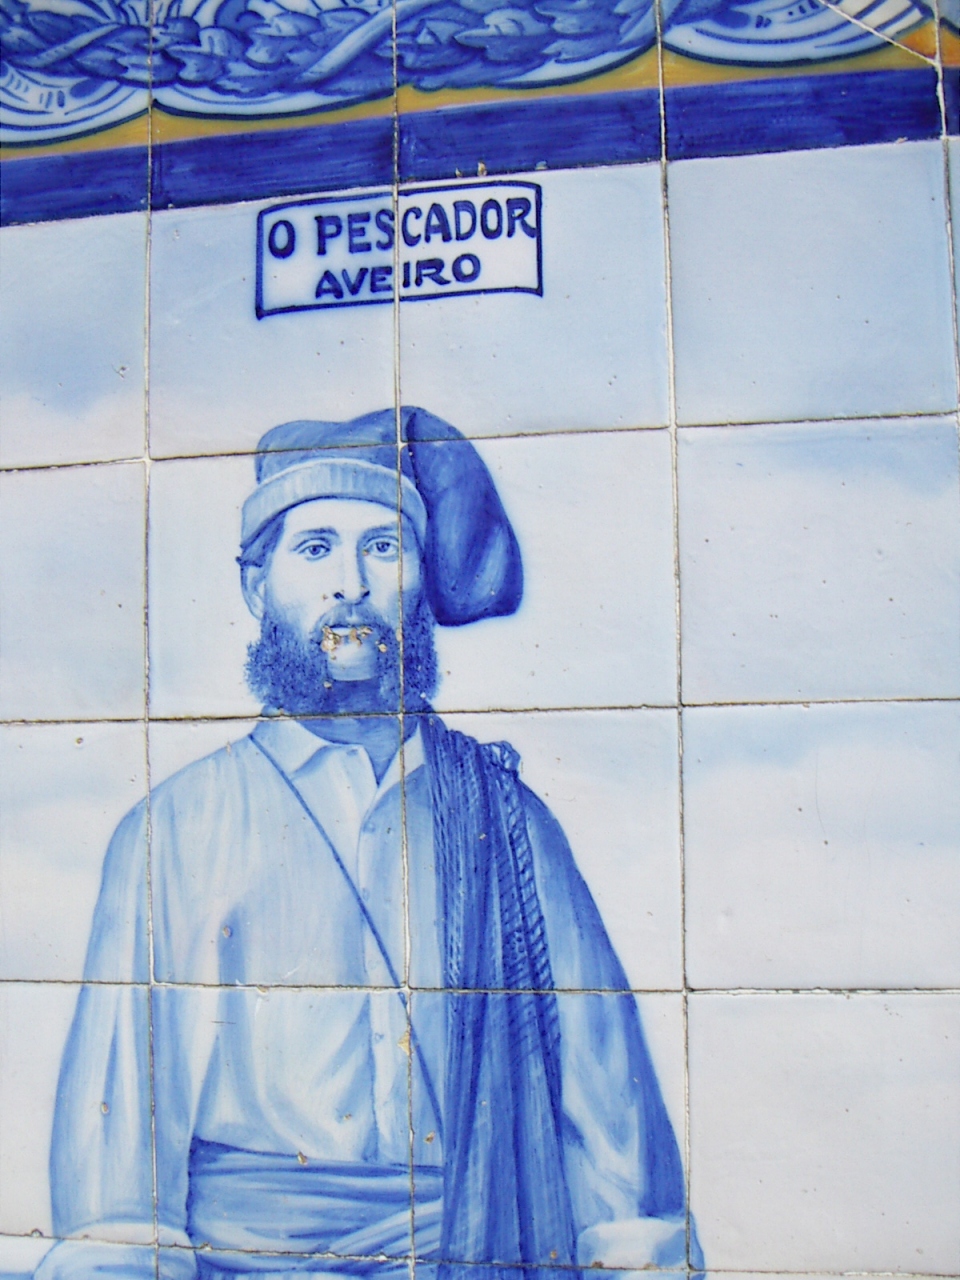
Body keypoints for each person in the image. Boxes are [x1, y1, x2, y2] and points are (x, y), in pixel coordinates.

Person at [38, 407, 702, 1279]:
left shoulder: (508, 820)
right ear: (255, 586)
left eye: (384, 548)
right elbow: (120, 1133)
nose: (350, 583)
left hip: (477, 1254)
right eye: (315, 548)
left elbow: (605, 1092)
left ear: (420, 581)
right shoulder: (178, 828)